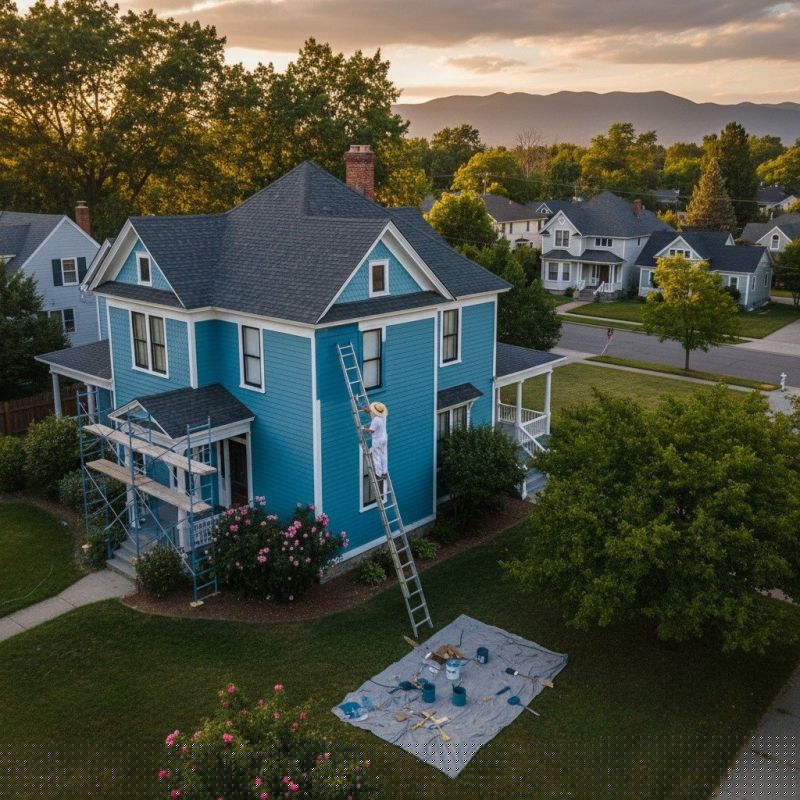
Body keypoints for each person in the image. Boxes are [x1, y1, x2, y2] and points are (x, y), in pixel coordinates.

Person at [361, 402, 388, 479]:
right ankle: (384, 473)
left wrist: (364, 429)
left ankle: (378, 474)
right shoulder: (383, 416)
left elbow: (371, 431)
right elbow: (373, 414)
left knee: (376, 456)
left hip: (377, 440)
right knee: (384, 455)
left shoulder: (376, 420)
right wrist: (367, 410)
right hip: (384, 438)